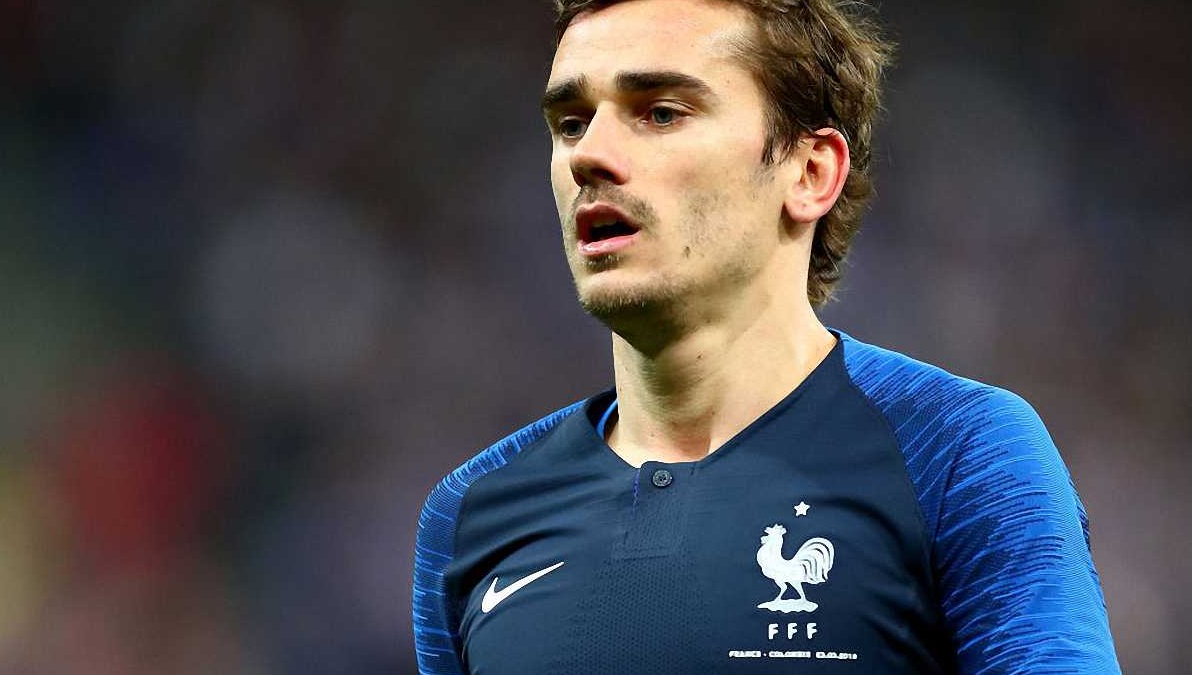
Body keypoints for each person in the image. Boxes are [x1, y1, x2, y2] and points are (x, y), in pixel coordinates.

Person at [412, 0, 1121, 672]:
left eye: (660, 112)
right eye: (571, 123)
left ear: (810, 172)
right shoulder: (470, 516)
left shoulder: (957, 451)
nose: (588, 155)